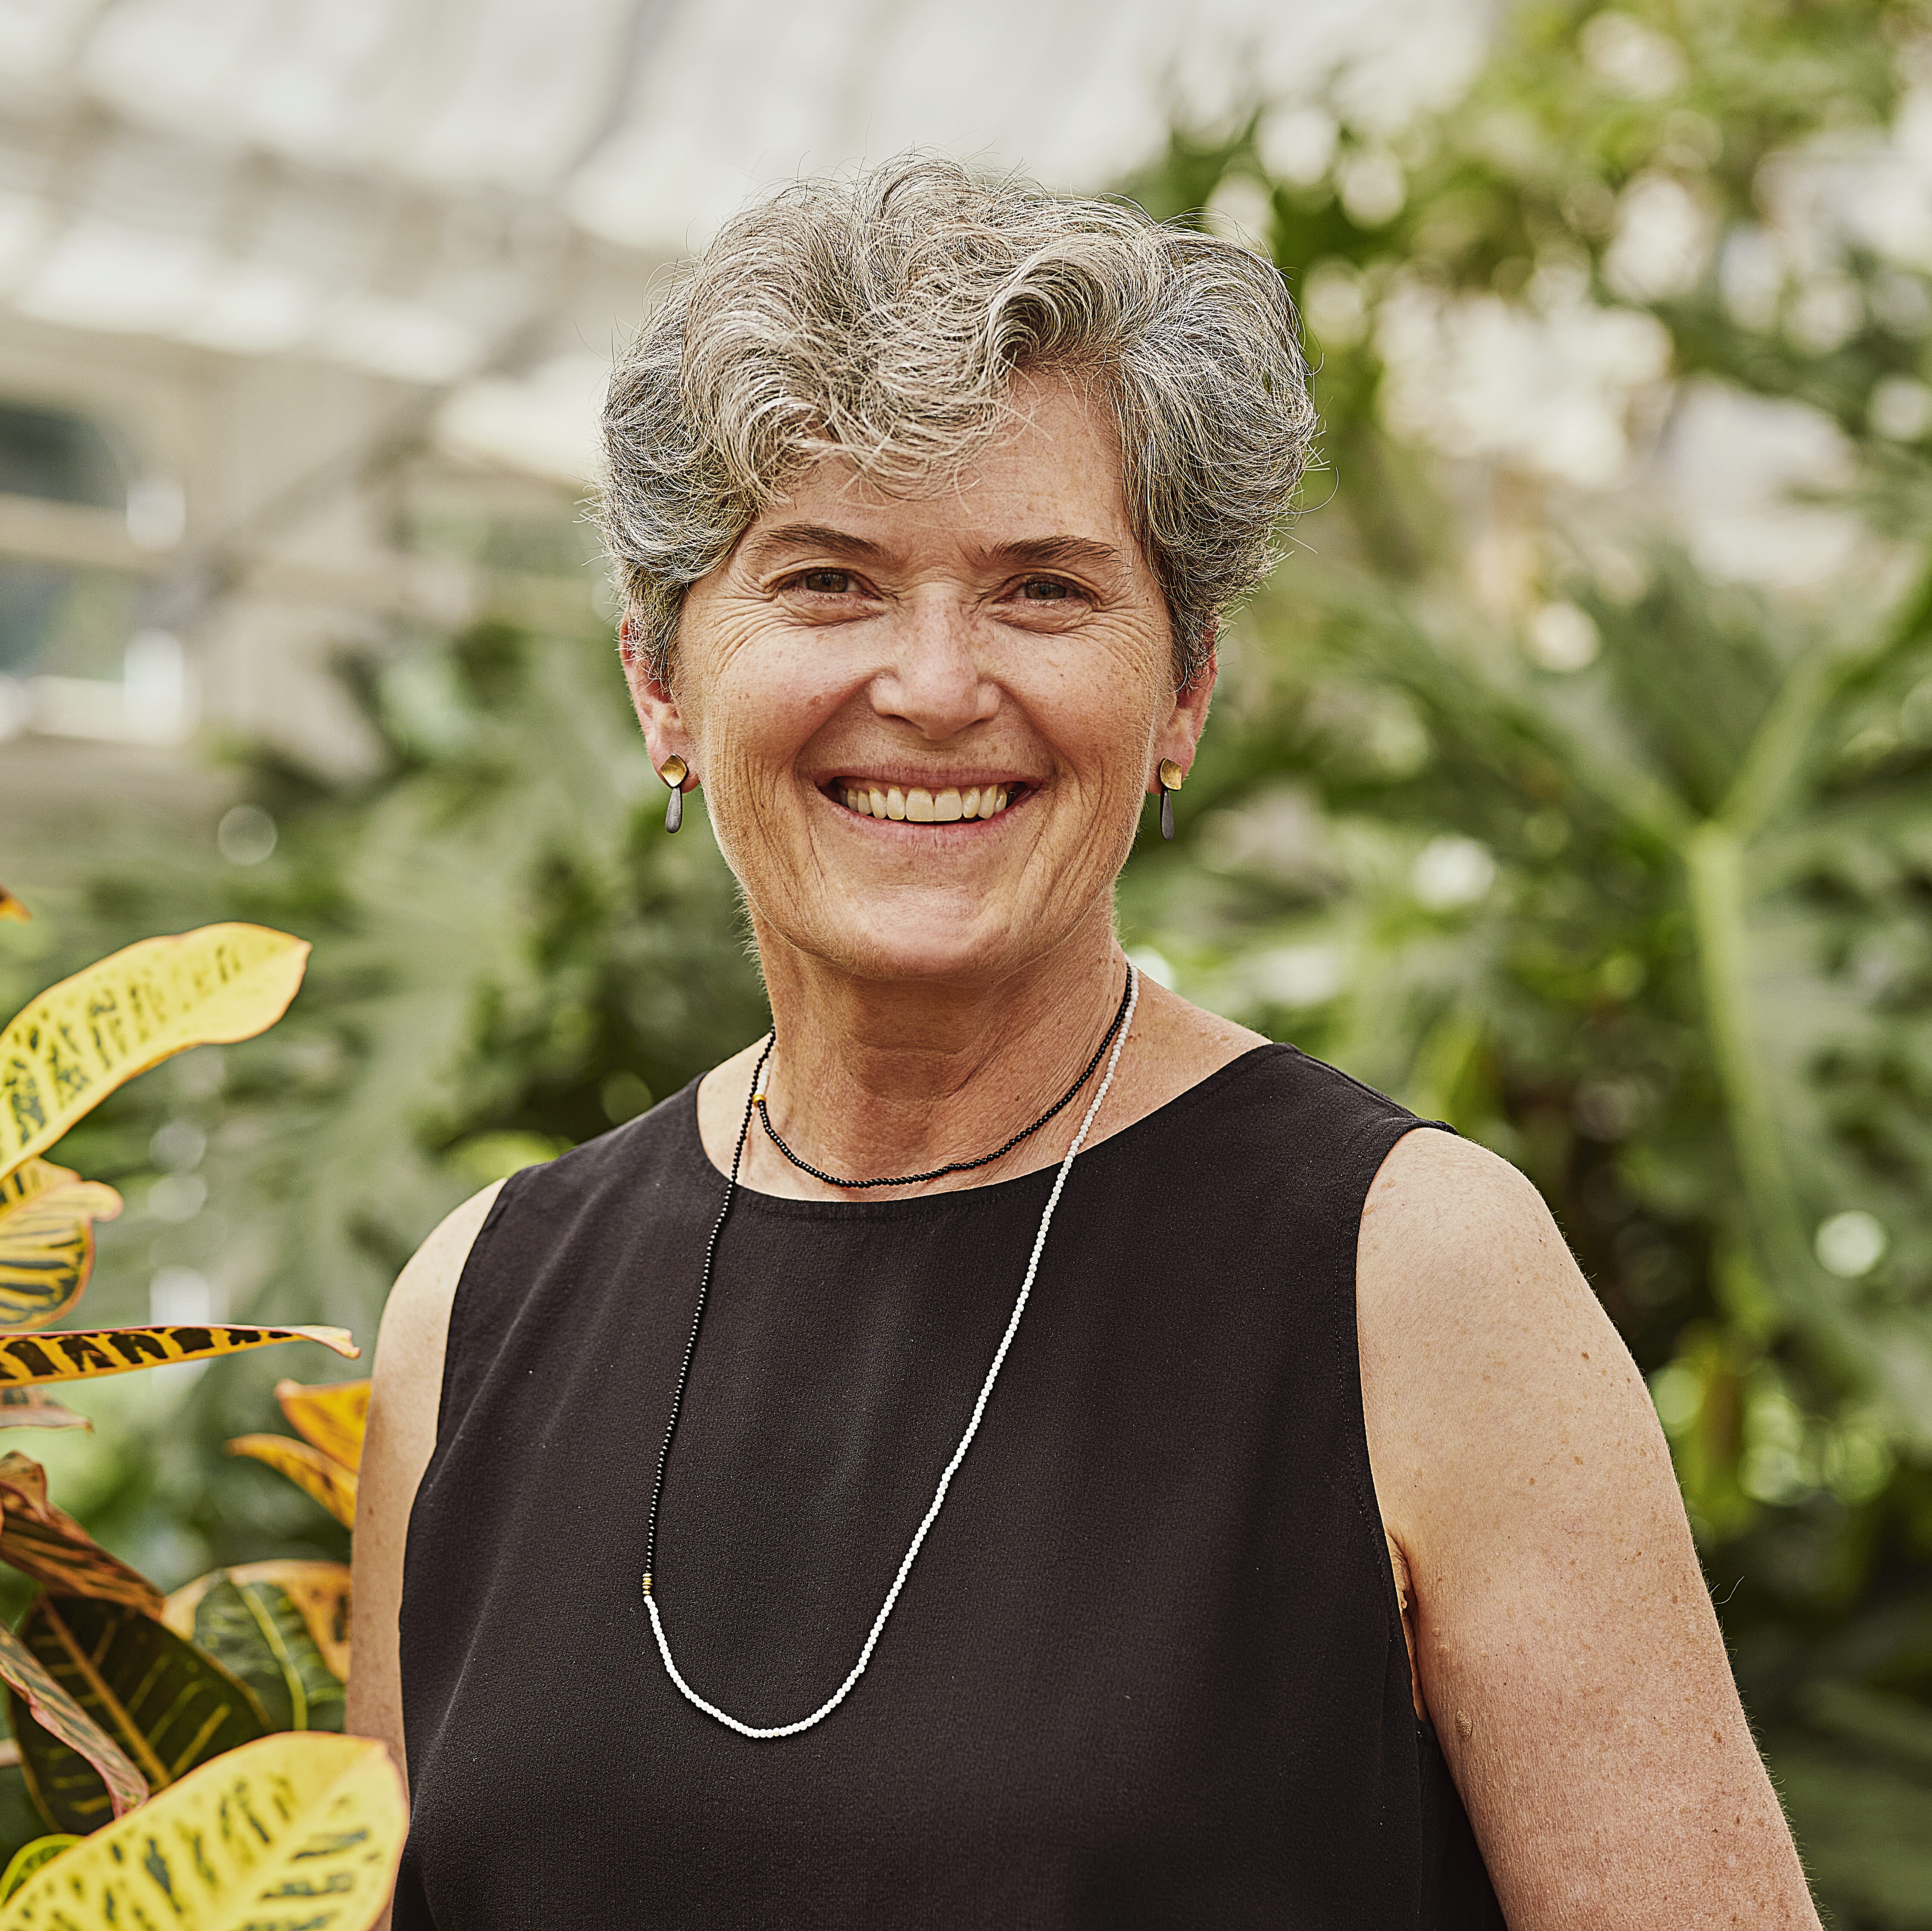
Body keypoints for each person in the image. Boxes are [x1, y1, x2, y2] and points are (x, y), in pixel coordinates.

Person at [349, 156, 1819, 1929]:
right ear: (662, 682)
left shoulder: (1407, 1274)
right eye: (826, 581)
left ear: (1183, 689)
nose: (936, 684)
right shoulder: (480, 1310)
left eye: (1042, 590)